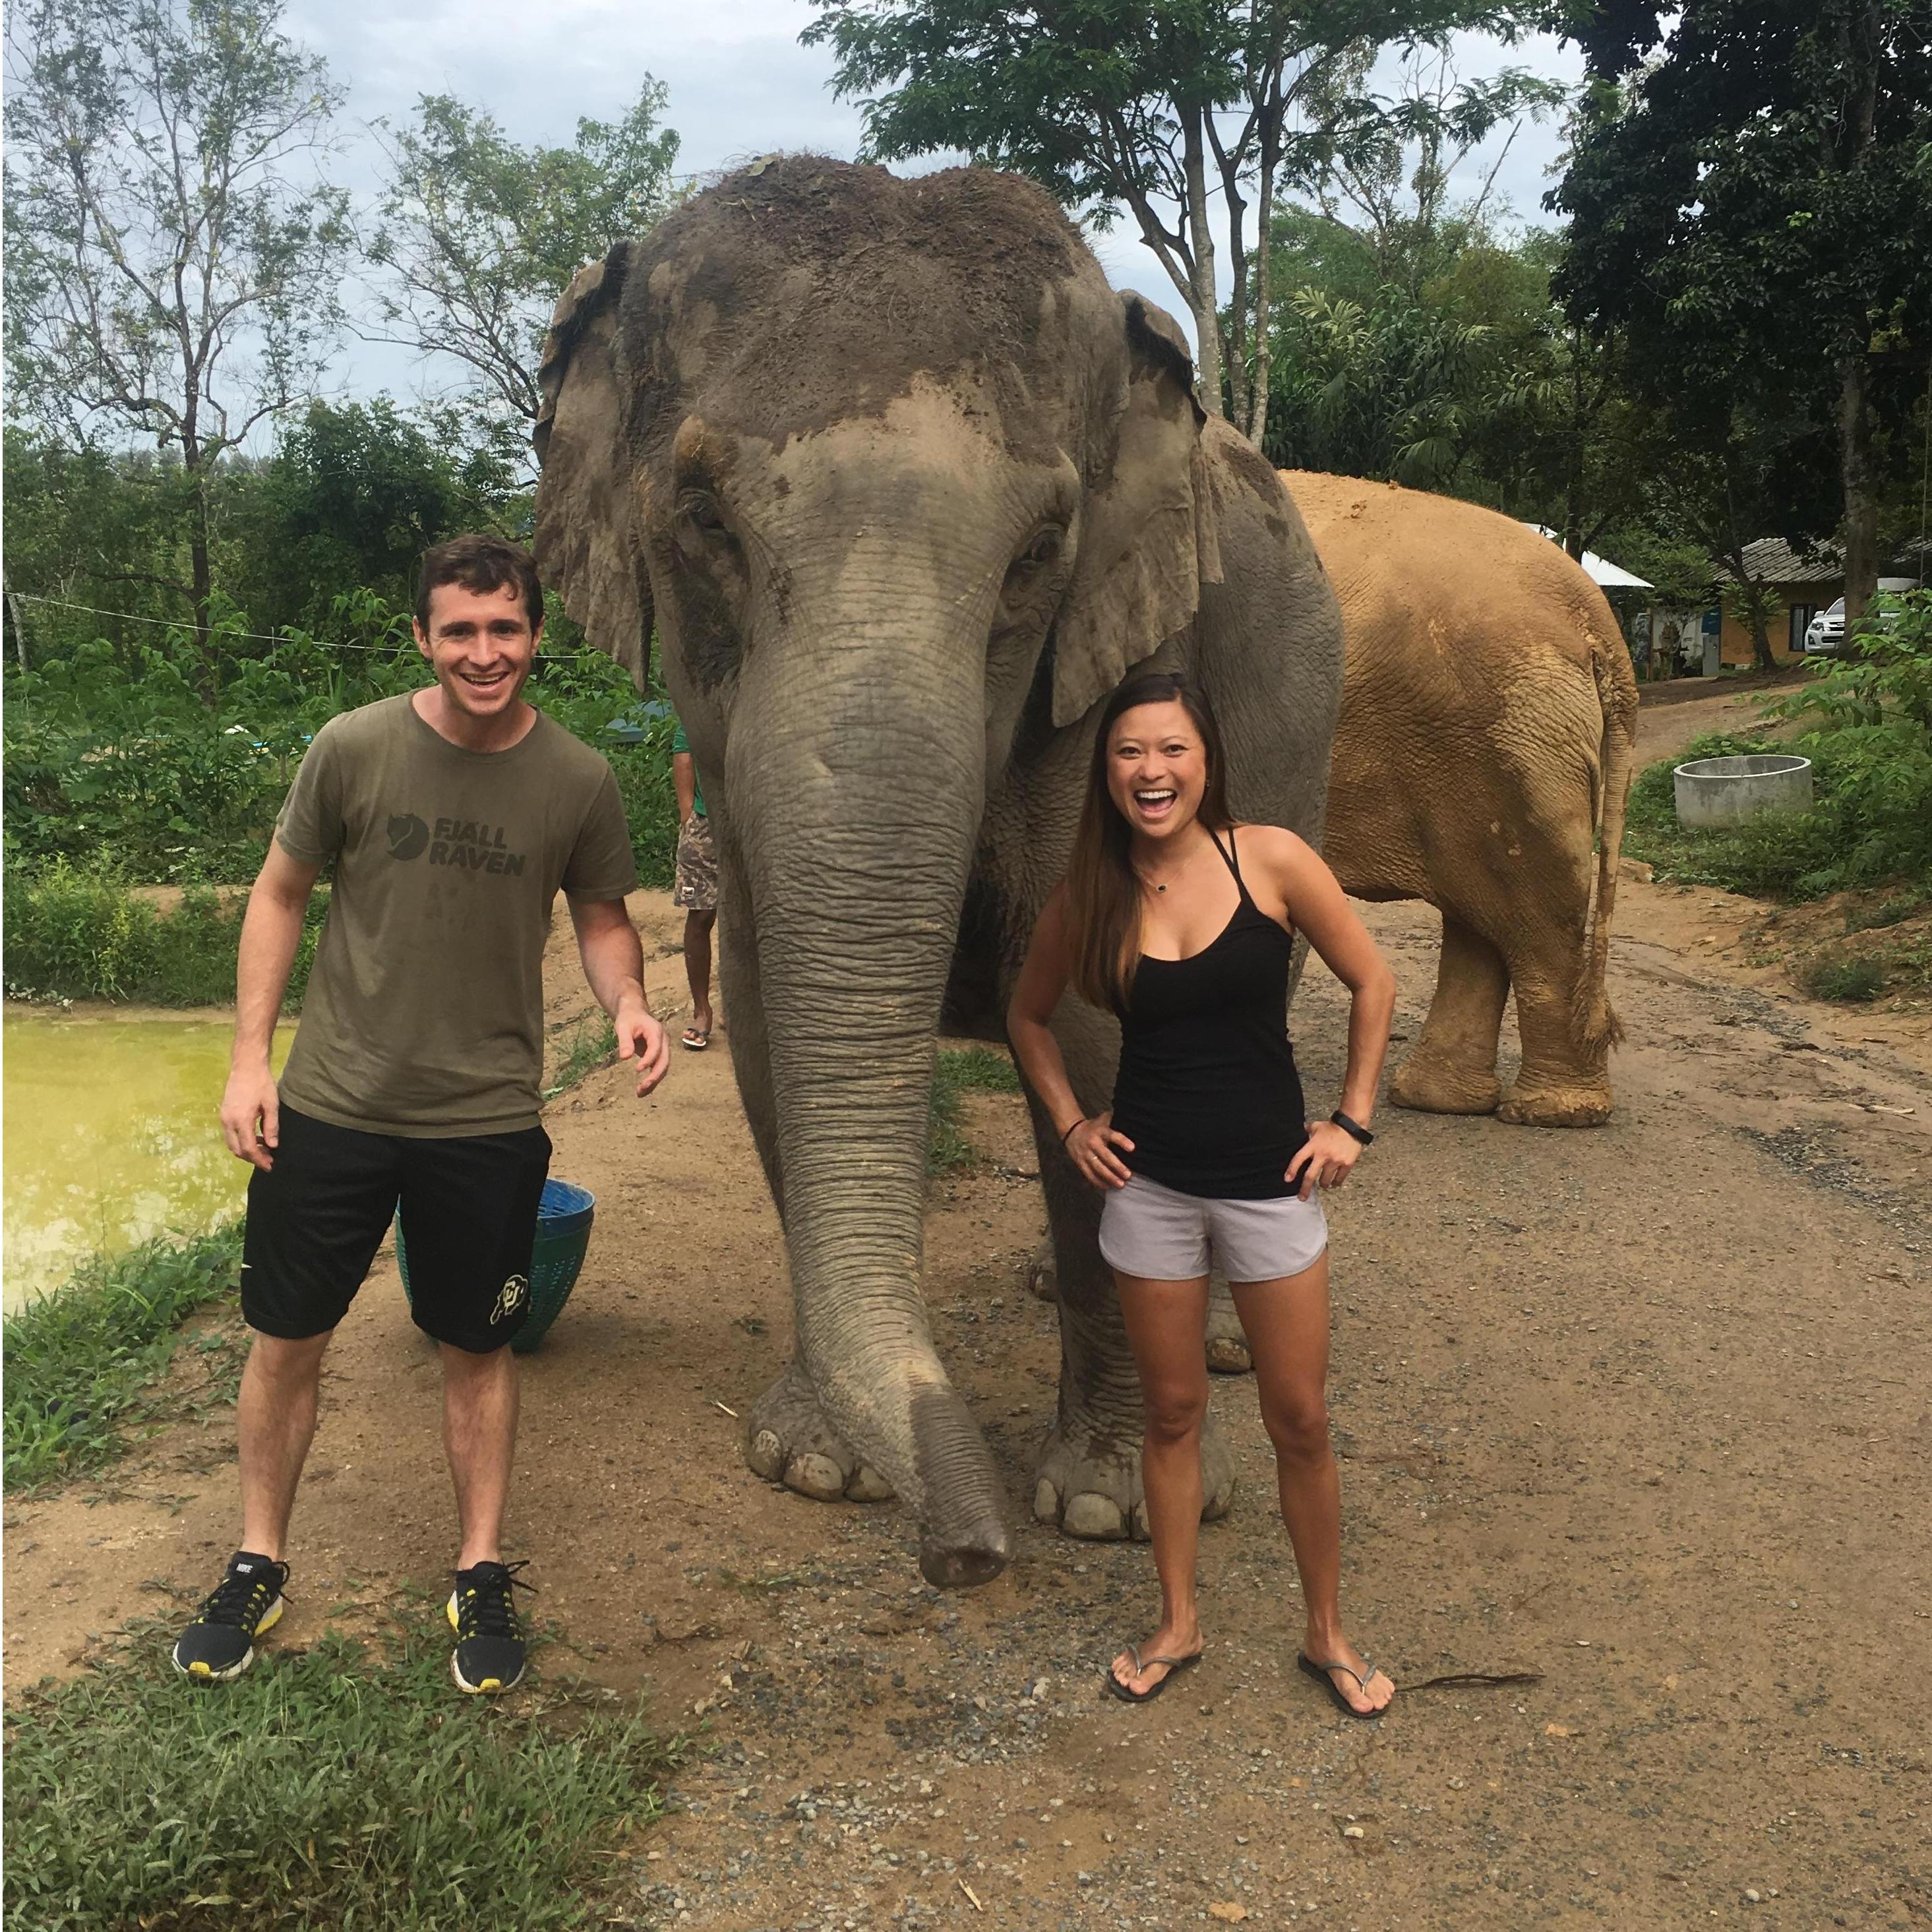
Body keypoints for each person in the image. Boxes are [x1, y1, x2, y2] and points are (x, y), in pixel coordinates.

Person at [173, 535, 671, 1696]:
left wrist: (634, 998)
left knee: (477, 1347)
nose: (484, 653)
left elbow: (602, 918)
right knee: (288, 1338)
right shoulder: (353, 749)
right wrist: (252, 1059)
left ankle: (479, 1567)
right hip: (334, 1105)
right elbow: (280, 892)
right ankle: (257, 1558)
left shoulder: (579, 779)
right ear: (422, 638)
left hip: (486, 1118)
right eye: (460, 631)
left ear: (536, 635)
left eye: (504, 630)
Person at [1007, 671, 1399, 1717]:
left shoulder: (1267, 856)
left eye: (1171, 749)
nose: (1151, 771)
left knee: (1299, 1417)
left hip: (1270, 1186)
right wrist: (1070, 1122)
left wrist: (1349, 1119)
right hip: (1151, 1192)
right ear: (1107, 772)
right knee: (1172, 1411)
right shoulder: (1088, 891)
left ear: (1205, 760)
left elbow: (1373, 977)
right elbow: (1029, 1017)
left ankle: (1326, 1632)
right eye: (1130, 752)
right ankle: (1178, 1621)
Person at [671, 715, 718, 1049]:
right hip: (706, 823)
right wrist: (688, 814)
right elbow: (684, 746)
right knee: (700, 915)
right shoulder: (709, 689)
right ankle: (702, 1009)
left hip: (758, 822)